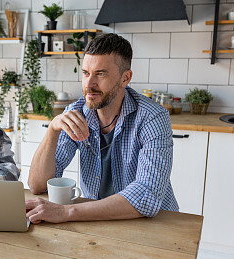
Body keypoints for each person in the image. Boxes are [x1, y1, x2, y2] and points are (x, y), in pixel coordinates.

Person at [26, 33, 179, 224]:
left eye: (100, 74)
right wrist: (52, 130)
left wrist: (67, 212)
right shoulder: (76, 112)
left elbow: (146, 196)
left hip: (153, 224)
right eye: (85, 73)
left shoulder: (152, 117)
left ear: (125, 78)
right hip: (95, 220)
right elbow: (37, 185)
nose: (89, 84)